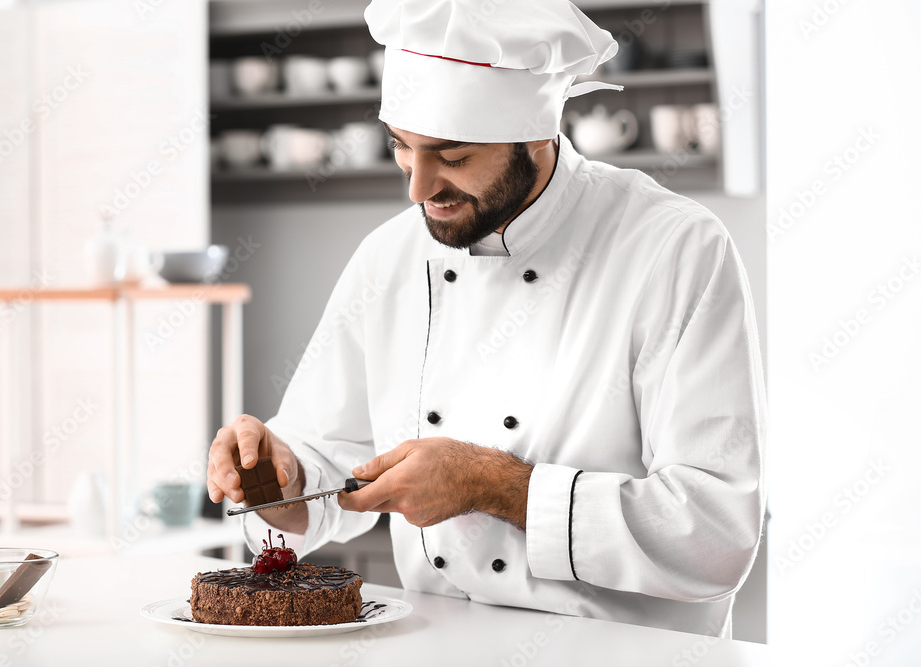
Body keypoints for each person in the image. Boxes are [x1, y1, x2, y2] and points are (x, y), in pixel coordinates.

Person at [207, 0, 765, 638]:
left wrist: (493, 485)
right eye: (402, 149)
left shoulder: (673, 248)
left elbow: (715, 534)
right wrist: (280, 472)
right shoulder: (390, 257)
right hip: (439, 646)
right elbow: (329, 464)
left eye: (452, 157)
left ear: (535, 132)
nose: (418, 188)